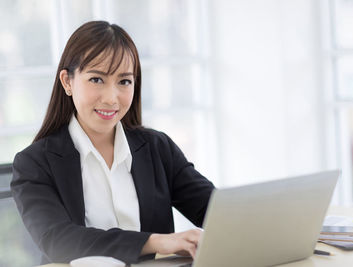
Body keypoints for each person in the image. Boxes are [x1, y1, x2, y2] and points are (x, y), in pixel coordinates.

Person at [10, 20, 215, 265]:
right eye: (97, 79)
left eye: (124, 81)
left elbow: (215, 212)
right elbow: (57, 240)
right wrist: (156, 242)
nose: (111, 98)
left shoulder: (158, 148)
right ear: (67, 82)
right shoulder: (34, 163)